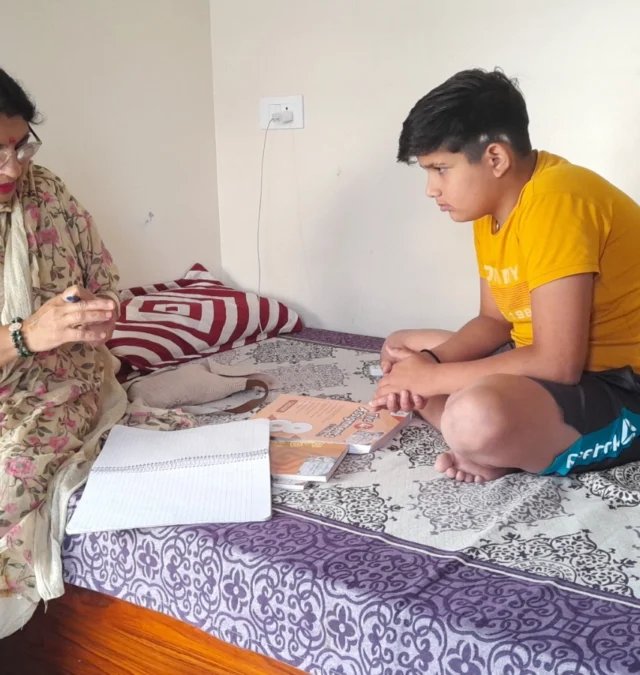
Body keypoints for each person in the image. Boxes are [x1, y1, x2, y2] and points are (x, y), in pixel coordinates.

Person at [371, 69, 640, 485]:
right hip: (546, 366)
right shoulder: (493, 207)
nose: (431, 188)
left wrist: (433, 378)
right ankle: (502, 445)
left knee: (472, 417)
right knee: (401, 347)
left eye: (441, 169)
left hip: (620, 383)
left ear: (495, 158)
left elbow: (557, 363)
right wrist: (429, 362)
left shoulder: (557, 200)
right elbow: (494, 321)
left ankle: (492, 443)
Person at [0, 68, 191, 637]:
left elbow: (103, 280)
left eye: (21, 146)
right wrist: (24, 336)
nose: (13, 168)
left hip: (63, 387)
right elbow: (28, 333)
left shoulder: (48, 192)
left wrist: (101, 314)